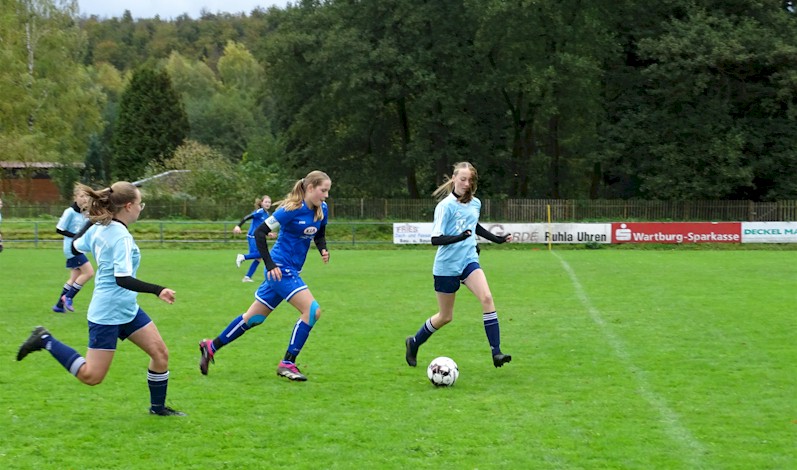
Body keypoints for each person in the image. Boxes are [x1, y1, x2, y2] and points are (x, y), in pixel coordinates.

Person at [17, 181, 184, 416]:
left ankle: (158, 409)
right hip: (107, 312)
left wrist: (93, 221)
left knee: (160, 355)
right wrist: (158, 289)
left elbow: (75, 245)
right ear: (128, 206)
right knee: (91, 376)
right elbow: (123, 279)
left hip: (127, 308)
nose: (140, 208)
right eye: (140, 204)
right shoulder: (120, 237)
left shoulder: (101, 228)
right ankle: (45, 339)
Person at [199, 171, 331, 382]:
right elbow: (260, 232)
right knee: (312, 310)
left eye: (327, 191)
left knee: (253, 319)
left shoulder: (322, 209)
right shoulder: (290, 210)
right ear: (310, 188)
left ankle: (211, 346)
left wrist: (323, 249)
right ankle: (287, 363)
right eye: (323, 190)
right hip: (279, 268)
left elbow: (320, 233)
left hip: (289, 270)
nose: (325, 196)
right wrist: (270, 265)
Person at [404, 162, 513, 369]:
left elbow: (474, 227)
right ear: (454, 178)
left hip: (468, 261)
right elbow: (435, 239)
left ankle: (496, 352)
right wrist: (460, 237)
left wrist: (497, 239)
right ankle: (414, 342)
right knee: (445, 316)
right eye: (462, 179)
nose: (466, 183)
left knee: (487, 298)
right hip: (446, 266)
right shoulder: (445, 206)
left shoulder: (476, 203)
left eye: (470, 179)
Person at [52, 187, 95, 313]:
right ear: (75, 198)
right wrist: (76, 237)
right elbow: (59, 229)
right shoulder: (69, 212)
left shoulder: (85, 214)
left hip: (79, 248)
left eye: (87, 196)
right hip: (72, 249)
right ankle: (68, 297)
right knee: (89, 273)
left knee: (74, 277)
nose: (85, 199)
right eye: (81, 196)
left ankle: (59, 306)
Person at [233, 194, 276, 282]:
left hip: (258, 236)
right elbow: (247, 217)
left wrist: (268, 234)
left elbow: (262, 227)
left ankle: (247, 277)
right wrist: (238, 226)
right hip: (253, 236)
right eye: (266, 202)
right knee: (261, 254)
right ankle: (242, 257)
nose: (268, 204)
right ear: (261, 203)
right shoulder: (260, 211)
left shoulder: (266, 214)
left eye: (269, 202)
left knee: (258, 258)